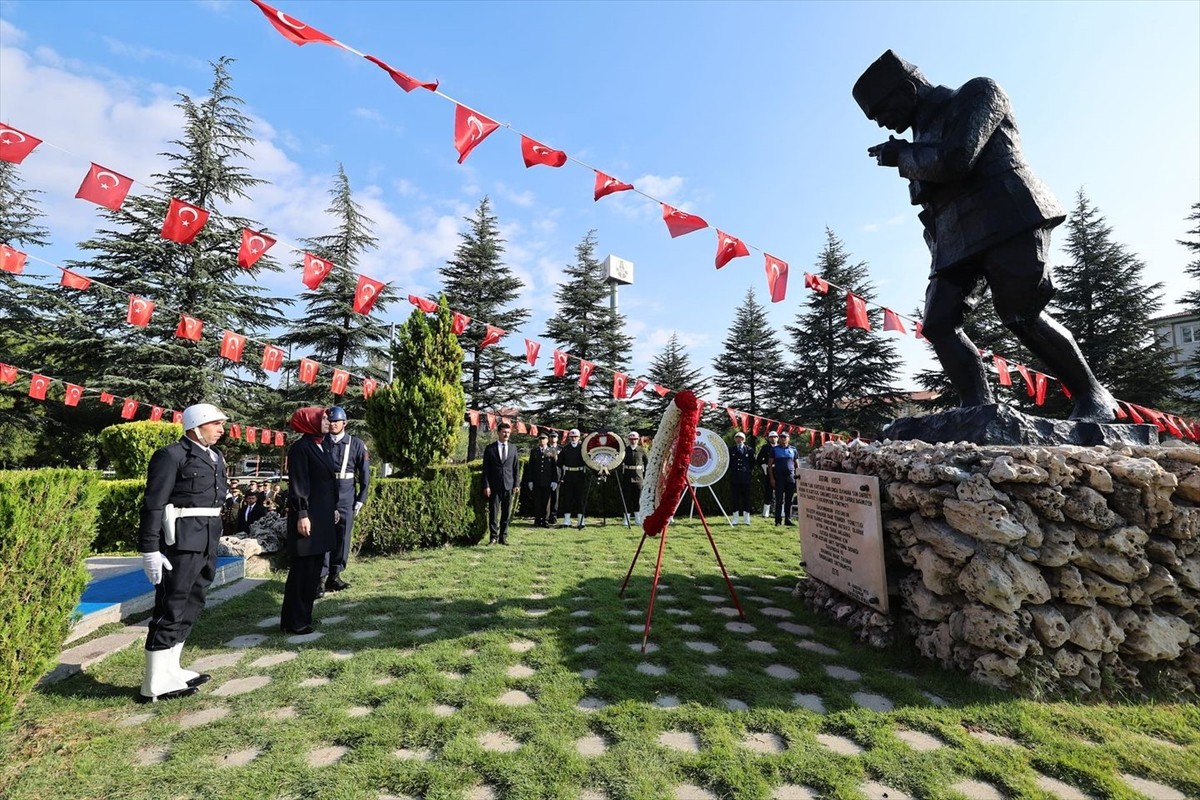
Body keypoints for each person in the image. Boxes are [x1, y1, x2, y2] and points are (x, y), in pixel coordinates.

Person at [854, 50, 1115, 422]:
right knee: (939, 323)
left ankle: (1094, 396)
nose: (883, 124)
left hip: (1007, 213)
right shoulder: (917, 136)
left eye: (881, 112)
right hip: (955, 236)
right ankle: (977, 406)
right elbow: (927, 199)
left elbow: (956, 158)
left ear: (908, 89)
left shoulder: (978, 92)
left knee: (1021, 313)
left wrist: (904, 156)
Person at [136, 403, 229, 703]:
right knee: (171, 605)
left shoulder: (216, 457)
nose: (221, 429)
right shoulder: (171, 456)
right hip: (180, 542)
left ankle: (171, 669)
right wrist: (150, 548)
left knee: (194, 601)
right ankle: (153, 681)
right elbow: (153, 504)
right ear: (196, 425)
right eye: (215, 424)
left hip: (207, 539)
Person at [280, 408, 338, 635]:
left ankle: (305, 617)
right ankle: (293, 621)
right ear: (309, 422)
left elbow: (327, 481)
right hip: (307, 517)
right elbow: (299, 485)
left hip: (322, 515)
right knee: (302, 571)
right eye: (323, 418)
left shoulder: (321, 445)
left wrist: (332, 508)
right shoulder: (300, 448)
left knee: (314, 569)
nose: (328, 421)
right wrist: (302, 515)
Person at [320, 405, 369, 595]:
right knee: (324, 537)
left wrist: (360, 499)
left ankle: (335, 575)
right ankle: (321, 577)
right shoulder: (322, 441)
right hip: (324, 495)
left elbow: (364, 474)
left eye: (336, 422)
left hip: (346, 496)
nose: (332, 425)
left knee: (342, 537)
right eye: (330, 421)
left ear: (344, 423)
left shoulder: (356, 444)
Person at [482, 422, 520, 544]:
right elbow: (486, 470)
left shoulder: (513, 448)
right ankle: (493, 537)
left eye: (508, 432)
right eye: (504, 432)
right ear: (498, 432)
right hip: (494, 486)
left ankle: (503, 537)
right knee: (493, 513)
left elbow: (516, 468)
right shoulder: (490, 449)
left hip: (508, 485)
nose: (506, 434)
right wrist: (486, 485)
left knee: (506, 513)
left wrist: (516, 484)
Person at [522, 432, 557, 527]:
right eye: (540, 439)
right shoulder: (534, 451)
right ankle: (537, 520)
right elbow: (531, 467)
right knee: (537, 501)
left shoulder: (552, 451)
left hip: (547, 481)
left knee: (546, 502)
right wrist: (530, 480)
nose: (542, 441)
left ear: (547, 440)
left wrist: (554, 480)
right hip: (537, 481)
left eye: (544, 439)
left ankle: (545, 520)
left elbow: (554, 467)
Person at [768, 430, 799, 526]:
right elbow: (770, 465)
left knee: (789, 499)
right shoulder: (775, 450)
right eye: (781, 437)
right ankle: (778, 520)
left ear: (788, 439)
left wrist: (797, 477)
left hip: (790, 477)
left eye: (784, 437)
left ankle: (788, 519)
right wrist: (772, 478)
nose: (782, 439)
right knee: (779, 499)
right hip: (779, 477)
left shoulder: (793, 449)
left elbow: (797, 464)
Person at [557, 428, 586, 527]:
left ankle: (581, 521)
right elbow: (559, 463)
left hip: (580, 476)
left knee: (580, 499)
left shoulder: (583, 449)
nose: (574, 438)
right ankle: (566, 521)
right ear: (569, 438)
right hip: (568, 476)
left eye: (576, 437)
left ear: (579, 437)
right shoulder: (565, 449)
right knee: (567, 499)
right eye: (572, 437)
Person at [618, 431, 647, 526]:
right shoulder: (625, 451)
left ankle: (638, 519)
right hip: (627, 478)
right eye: (631, 439)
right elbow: (619, 463)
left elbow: (647, 463)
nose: (633, 441)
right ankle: (626, 519)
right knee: (627, 499)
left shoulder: (641, 450)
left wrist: (646, 476)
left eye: (635, 439)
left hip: (638, 478)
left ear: (638, 439)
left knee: (637, 499)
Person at [728, 431, 755, 526]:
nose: (739, 439)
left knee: (746, 498)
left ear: (744, 439)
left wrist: (746, 470)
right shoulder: (731, 450)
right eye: (737, 438)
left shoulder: (749, 450)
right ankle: (735, 518)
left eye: (741, 438)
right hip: (735, 477)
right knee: (735, 498)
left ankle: (746, 519)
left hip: (746, 478)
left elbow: (752, 463)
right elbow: (729, 463)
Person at [756, 431, 778, 518]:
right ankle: (766, 512)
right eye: (771, 437)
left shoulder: (780, 447)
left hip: (779, 471)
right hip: (768, 471)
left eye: (775, 437)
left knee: (780, 491)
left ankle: (780, 511)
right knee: (768, 491)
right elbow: (759, 459)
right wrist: (763, 466)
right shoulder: (765, 447)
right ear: (768, 438)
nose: (773, 438)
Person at [546, 430, 561, 520]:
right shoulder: (546, 448)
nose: (553, 438)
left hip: (558, 475)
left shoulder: (561, 449)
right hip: (547, 475)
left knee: (555, 496)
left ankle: (553, 515)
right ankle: (546, 516)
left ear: (557, 438)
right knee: (547, 497)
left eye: (554, 436)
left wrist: (562, 476)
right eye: (551, 436)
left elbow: (563, 464)